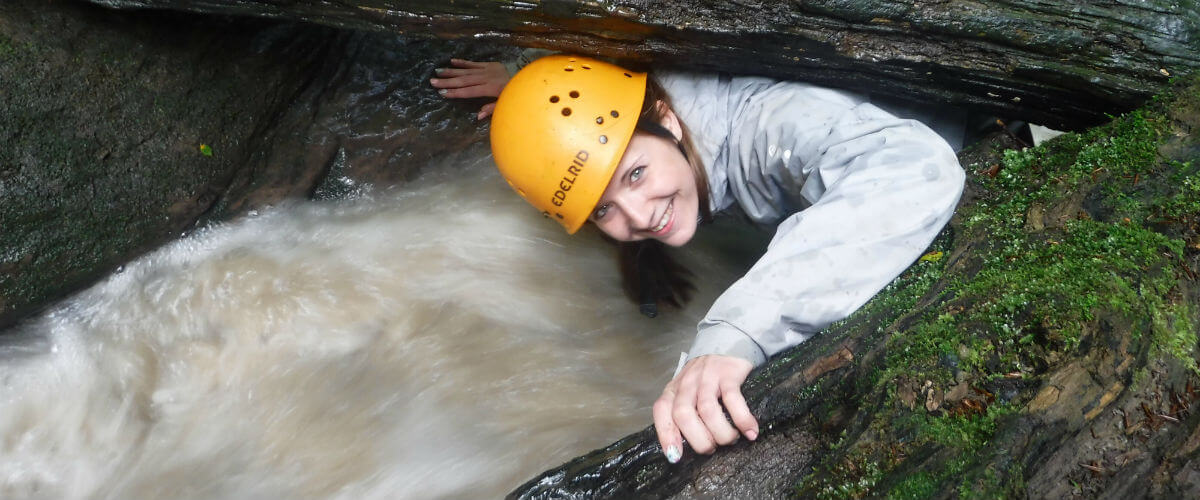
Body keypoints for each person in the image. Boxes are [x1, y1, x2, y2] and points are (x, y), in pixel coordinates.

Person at [431, 54, 965, 464]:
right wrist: (528, 87)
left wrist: (734, 335)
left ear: (667, 120)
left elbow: (915, 166)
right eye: (602, 210)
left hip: (956, 125)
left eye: (635, 174)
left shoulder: (766, 126)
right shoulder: (654, 118)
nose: (638, 218)